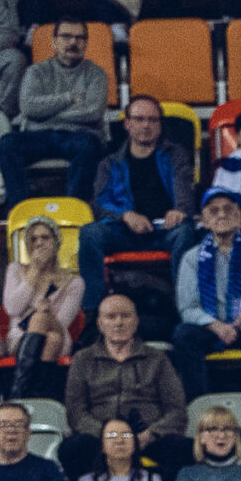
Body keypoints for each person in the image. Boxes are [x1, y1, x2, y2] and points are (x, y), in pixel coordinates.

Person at [81, 94, 196, 321]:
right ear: (127, 124)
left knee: (185, 233)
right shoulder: (110, 163)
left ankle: (184, 309)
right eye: (139, 119)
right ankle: (94, 312)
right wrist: (125, 215)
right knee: (89, 233)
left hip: (164, 230)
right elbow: (99, 204)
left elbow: (186, 192)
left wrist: (179, 210)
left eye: (152, 120)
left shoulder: (175, 155)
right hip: (123, 232)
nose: (146, 125)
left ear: (160, 125)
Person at [63, 293, 186, 481]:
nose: (119, 322)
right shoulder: (83, 359)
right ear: (100, 324)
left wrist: (150, 434)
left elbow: (177, 410)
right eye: (111, 317)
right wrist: (107, 435)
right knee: (72, 449)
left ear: (136, 322)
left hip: (148, 436)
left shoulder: (157, 358)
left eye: (125, 316)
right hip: (100, 436)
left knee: (183, 449)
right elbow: (76, 411)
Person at [169, 189, 241, 399]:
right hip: (211, 327)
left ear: (240, 217)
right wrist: (217, 326)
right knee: (183, 335)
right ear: (204, 221)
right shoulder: (191, 258)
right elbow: (187, 308)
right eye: (214, 211)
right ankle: (199, 403)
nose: (222, 215)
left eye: (228, 209)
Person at [0, 19, 105, 206]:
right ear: (54, 42)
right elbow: (29, 108)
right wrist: (70, 98)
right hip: (38, 136)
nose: (73, 42)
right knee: (7, 144)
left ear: (86, 43)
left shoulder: (96, 73)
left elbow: (93, 113)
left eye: (80, 38)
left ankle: (75, 210)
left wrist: (46, 113)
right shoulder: (36, 71)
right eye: (66, 37)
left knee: (89, 145)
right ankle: (20, 209)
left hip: (78, 136)